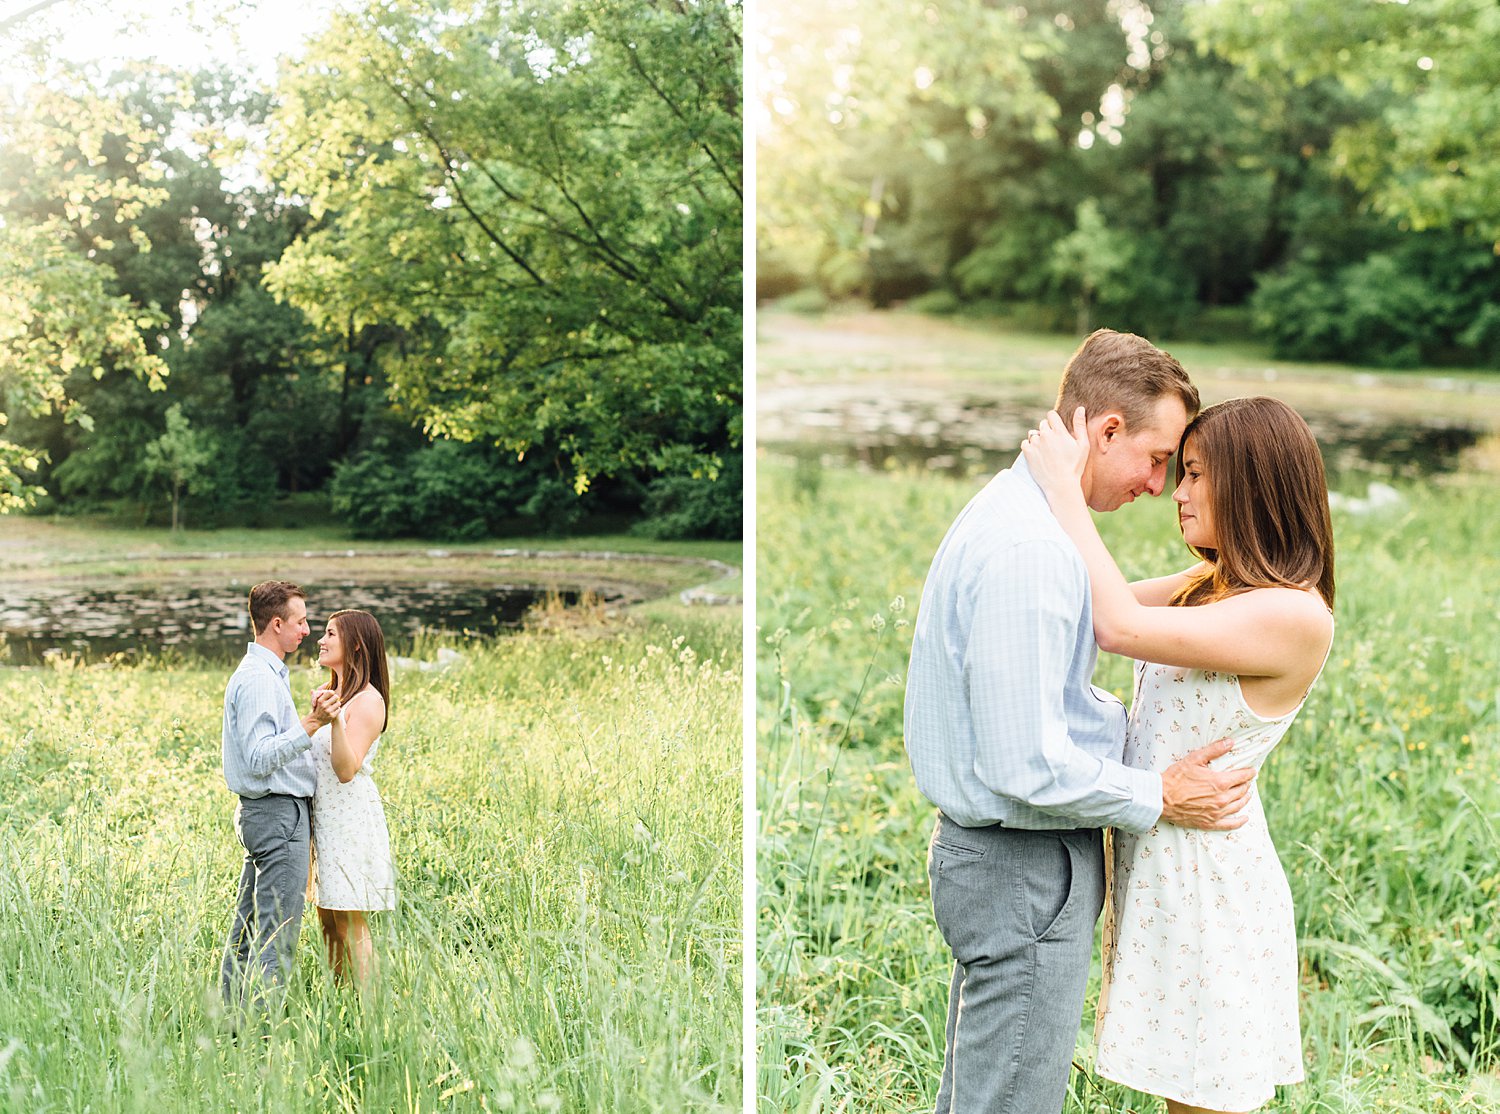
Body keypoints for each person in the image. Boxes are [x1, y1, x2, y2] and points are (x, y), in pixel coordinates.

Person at [903, 329, 1259, 1114]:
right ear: (1104, 431)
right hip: (1021, 869)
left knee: (983, 1096)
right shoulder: (1030, 548)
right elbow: (1026, 763)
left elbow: (1113, 611)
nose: (1161, 485)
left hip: (1010, 865)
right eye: (1159, 458)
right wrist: (1159, 794)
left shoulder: (1025, 520)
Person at [1022, 397, 1335, 1114]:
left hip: (1210, 887)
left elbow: (1117, 624)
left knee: (1204, 1102)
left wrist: (1063, 493)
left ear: (1252, 482)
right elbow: (1082, 605)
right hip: (1166, 872)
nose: (1176, 492)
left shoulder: (1291, 614)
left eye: (1194, 474)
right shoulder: (1211, 586)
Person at [220, 580, 341, 1017]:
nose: (308, 630)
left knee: (249, 930)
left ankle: (233, 1025)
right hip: (276, 815)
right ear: (276, 623)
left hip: (269, 814)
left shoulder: (265, 674)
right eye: (301, 621)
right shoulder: (256, 680)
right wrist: (311, 723)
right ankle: (262, 1035)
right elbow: (257, 758)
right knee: (276, 934)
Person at [308, 608, 396, 988]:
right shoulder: (336, 694)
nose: (321, 640)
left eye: (330, 634)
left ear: (356, 644)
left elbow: (346, 768)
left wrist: (334, 720)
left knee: (350, 918)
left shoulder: (367, 701)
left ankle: (374, 1012)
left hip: (349, 817)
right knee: (327, 915)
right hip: (324, 817)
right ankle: (341, 1000)